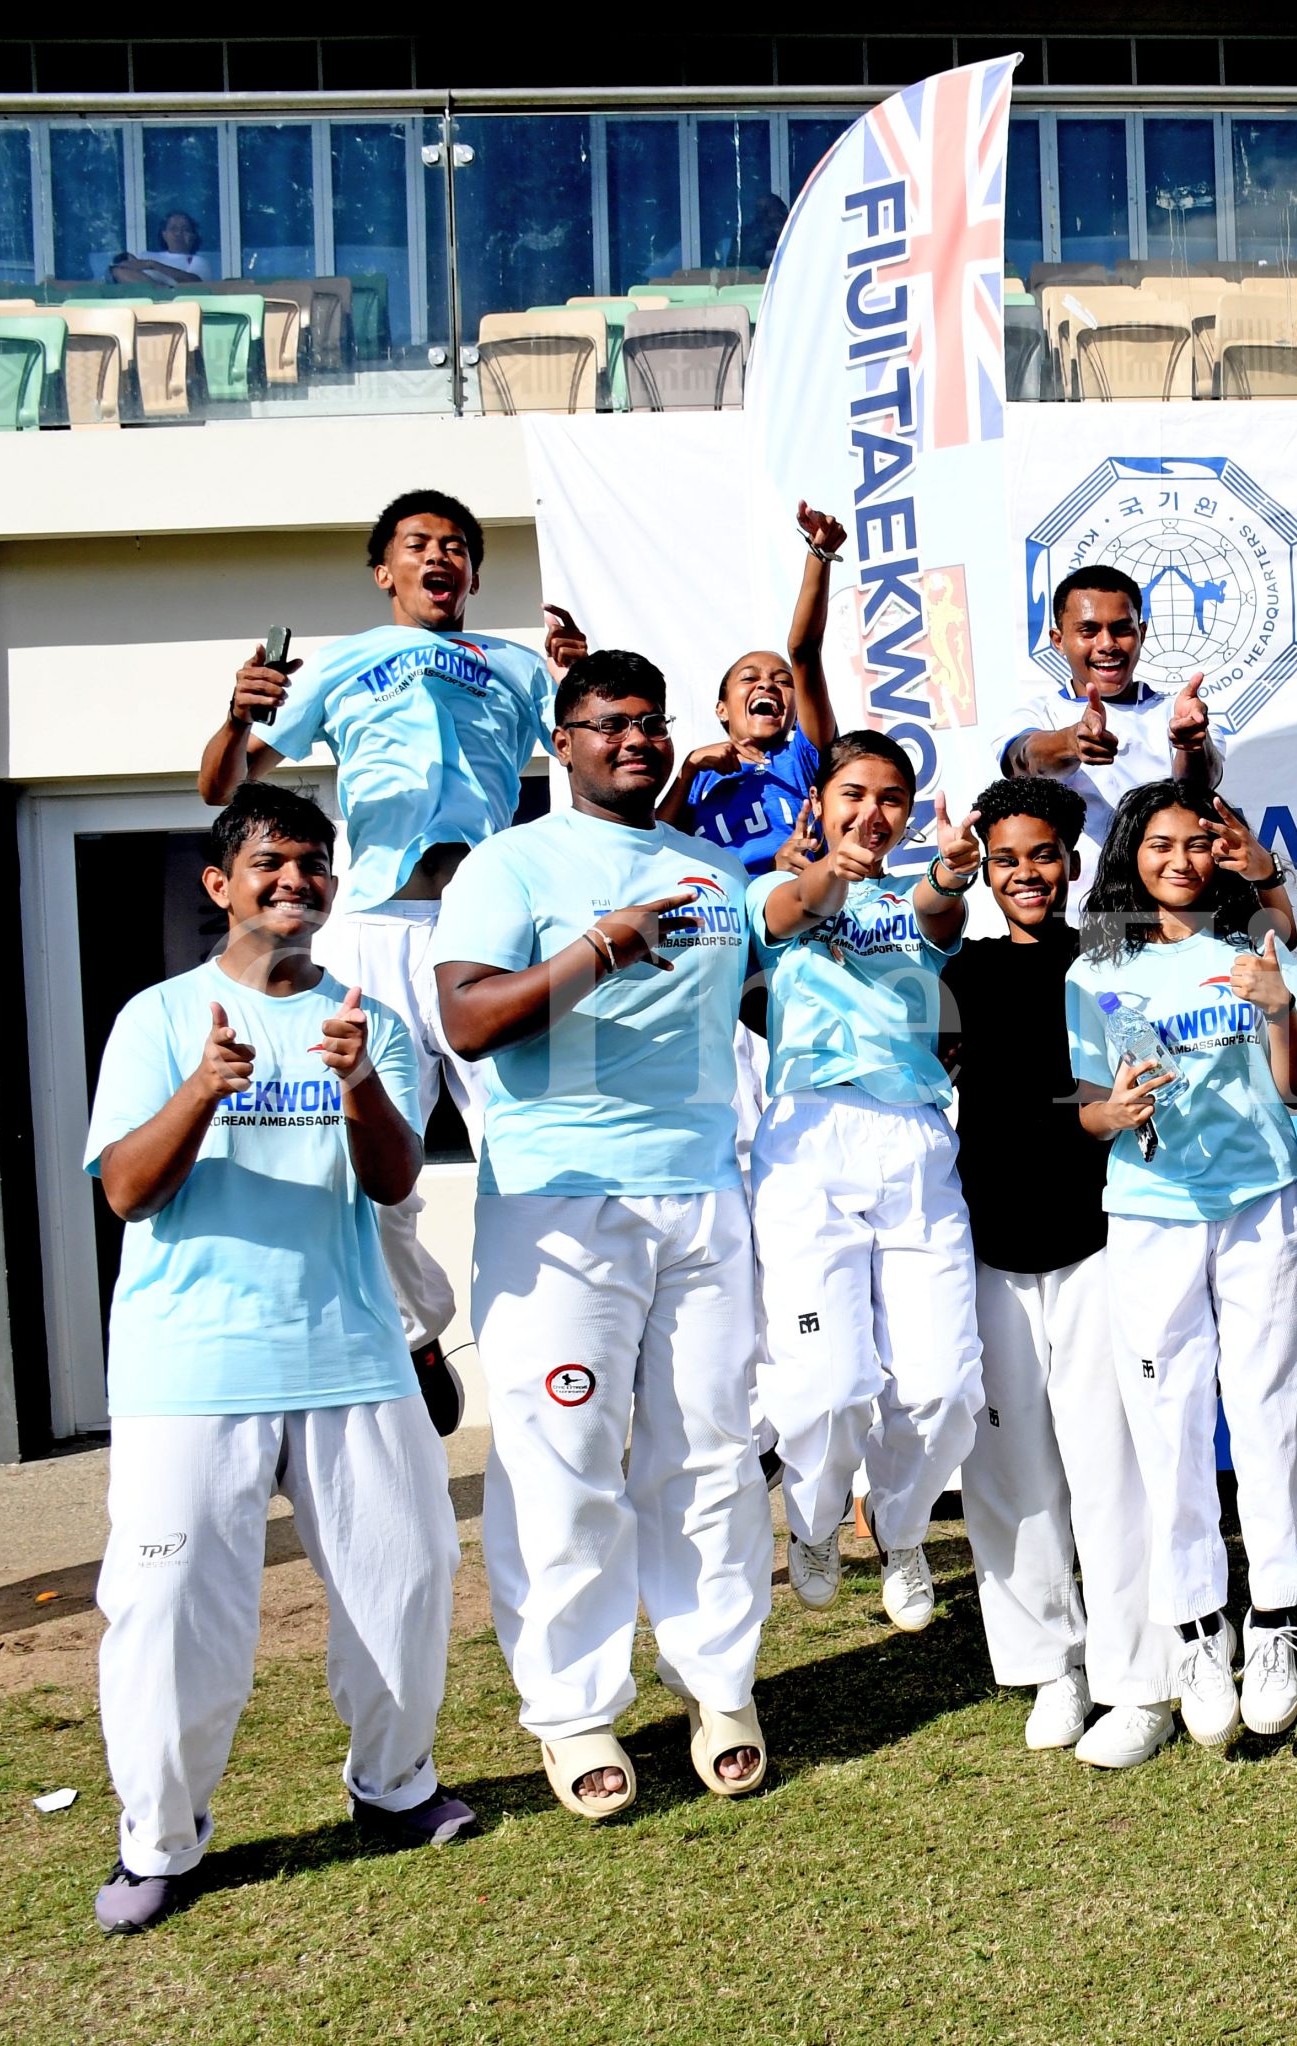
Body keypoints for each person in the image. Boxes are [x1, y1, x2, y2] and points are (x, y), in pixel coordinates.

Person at [84, 784, 470, 1934]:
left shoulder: (367, 1021)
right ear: (222, 885)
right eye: (269, 863)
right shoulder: (158, 1019)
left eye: (312, 863)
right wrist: (205, 1087)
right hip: (189, 1369)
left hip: (350, 1352)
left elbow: (396, 1183)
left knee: (407, 1587)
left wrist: (355, 1083)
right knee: (167, 1617)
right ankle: (161, 1842)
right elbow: (126, 1190)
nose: (294, 880)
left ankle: (392, 1787)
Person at [434, 649, 769, 1818]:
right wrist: (596, 948)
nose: (633, 739)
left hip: (702, 1196)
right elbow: (468, 1021)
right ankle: (574, 1710)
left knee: (712, 1451)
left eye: (649, 723)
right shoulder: (509, 864)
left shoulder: (715, 867)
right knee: (564, 1463)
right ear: (562, 742)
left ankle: (716, 1679)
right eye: (606, 723)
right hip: (559, 1206)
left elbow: (763, 999)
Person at [198, 488, 581, 1437]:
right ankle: (414, 1333)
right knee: (375, 1163)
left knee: (532, 1152)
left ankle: (558, 1352)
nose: (439, 557)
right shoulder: (344, 663)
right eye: (419, 545)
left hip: (487, 932)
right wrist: (236, 717)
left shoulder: (515, 666)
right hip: (371, 933)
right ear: (386, 570)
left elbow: (590, 758)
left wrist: (574, 685)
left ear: (476, 574)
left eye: (456, 546)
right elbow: (221, 781)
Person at [1067, 780, 1297, 1749]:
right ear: (1130, 857)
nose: (1179, 861)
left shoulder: (1259, 950)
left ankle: (1272, 1621)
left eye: (1195, 845)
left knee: (1262, 1417)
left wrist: (1276, 1012)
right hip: (1149, 1220)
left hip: (1260, 1211)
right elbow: (1091, 1104)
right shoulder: (1095, 969)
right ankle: (1194, 1632)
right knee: (1167, 1429)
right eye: (1159, 845)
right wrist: (1114, 1113)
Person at [943, 776, 1179, 1768]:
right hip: (990, 1248)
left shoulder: (1110, 964)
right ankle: (1051, 1665)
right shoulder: (961, 971)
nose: (1027, 875)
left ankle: (1140, 1684)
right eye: (1007, 860)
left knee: (1107, 1469)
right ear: (984, 871)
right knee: (1007, 1475)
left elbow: (1144, 1105)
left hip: (1095, 1246)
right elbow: (983, 1110)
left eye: (1043, 855)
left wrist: (1110, 1121)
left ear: (1073, 863)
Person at [745, 730, 986, 1638]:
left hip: (915, 1142)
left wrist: (954, 875)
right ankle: (811, 1525)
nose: (871, 813)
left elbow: (936, 915)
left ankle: (900, 1527)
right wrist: (829, 872)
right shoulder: (775, 891)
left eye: (891, 798)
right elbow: (789, 910)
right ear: (820, 800)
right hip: (808, 1139)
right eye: (854, 793)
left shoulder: (912, 899)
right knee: (828, 1385)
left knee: (944, 1388)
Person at [993, 564, 1227, 890]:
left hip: (1173, 914)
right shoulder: (1037, 714)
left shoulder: (1179, 712)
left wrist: (1190, 745)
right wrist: (1071, 744)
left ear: (1141, 633)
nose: (1107, 644)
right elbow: (1025, 758)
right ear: (1058, 640)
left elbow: (1202, 784)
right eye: (1088, 631)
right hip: (1082, 917)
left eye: (1121, 629)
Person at [657, 504, 846, 874]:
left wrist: (819, 556)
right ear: (721, 709)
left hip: (799, 912)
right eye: (749, 677)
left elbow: (804, 651)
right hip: (723, 923)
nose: (767, 683)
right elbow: (651, 847)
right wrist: (689, 769)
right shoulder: (699, 779)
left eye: (782, 680)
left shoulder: (805, 758)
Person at [111, 210, 214, 285]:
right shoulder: (145, 255)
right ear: (164, 234)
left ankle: (163, 293)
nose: (178, 233)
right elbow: (121, 271)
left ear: (193, 235)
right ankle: (160, 291)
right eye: (173, 229)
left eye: (185, 229)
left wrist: (152, 265)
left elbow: (195, 284)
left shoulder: (198, 261)